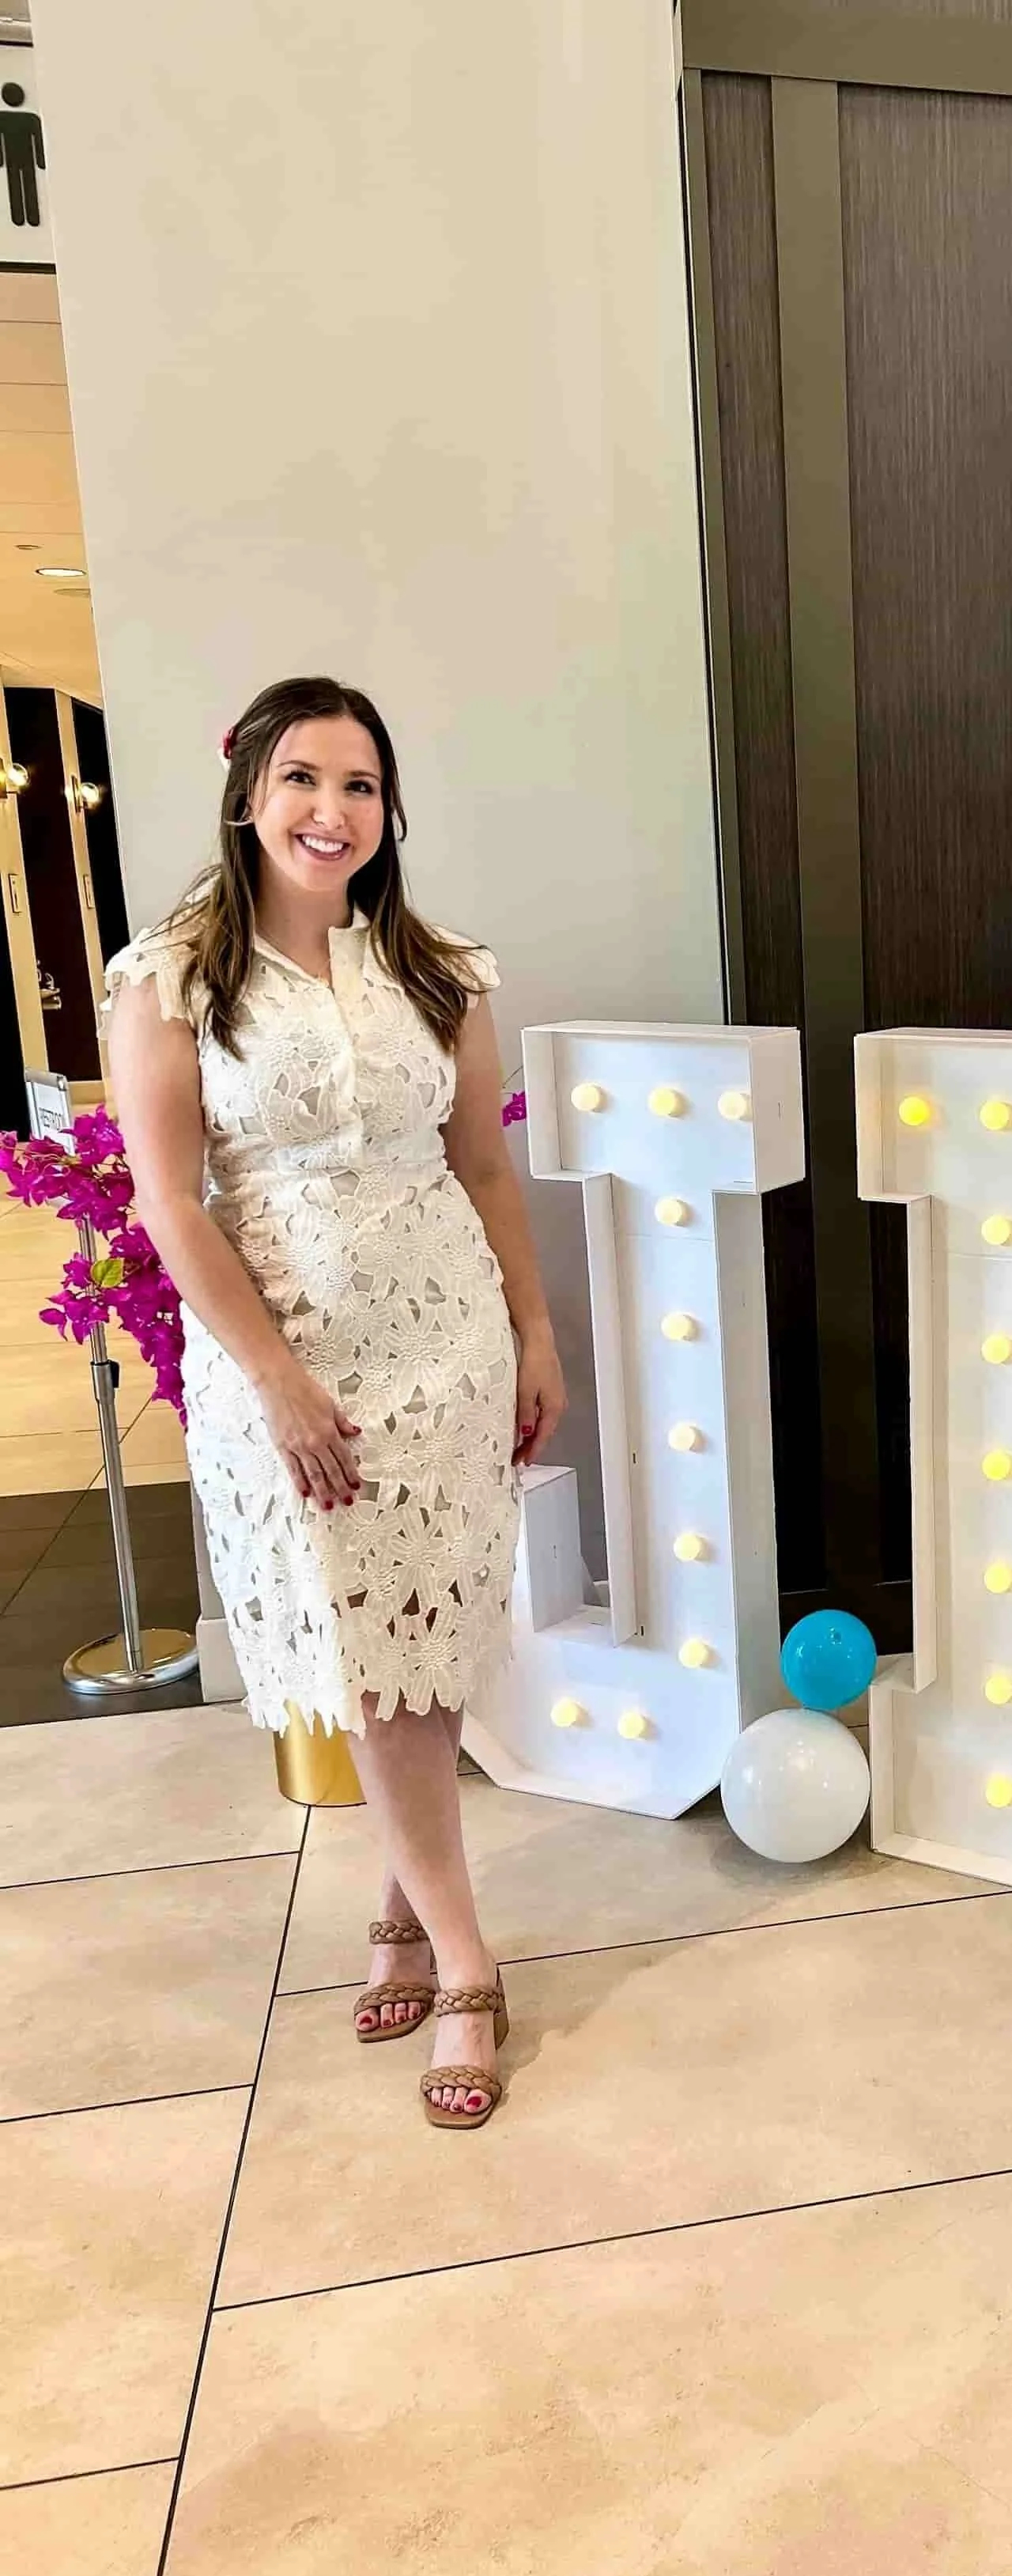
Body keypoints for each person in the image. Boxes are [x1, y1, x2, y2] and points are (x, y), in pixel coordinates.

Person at [104, 677, 567, 2130]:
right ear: (247, 791)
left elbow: (488, 1170)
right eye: (304, 779)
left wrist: (536, 1334)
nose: (331, 811)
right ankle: (474, 1960)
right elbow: (173, 1204)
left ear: (388, 810)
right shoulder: (169, 976)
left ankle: (399, 1915)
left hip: (450, 1347)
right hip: (291, 1362)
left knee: (420, 1644)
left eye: (360, 785)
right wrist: (282, 1384)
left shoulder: (434, 966)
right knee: (365, 1660)